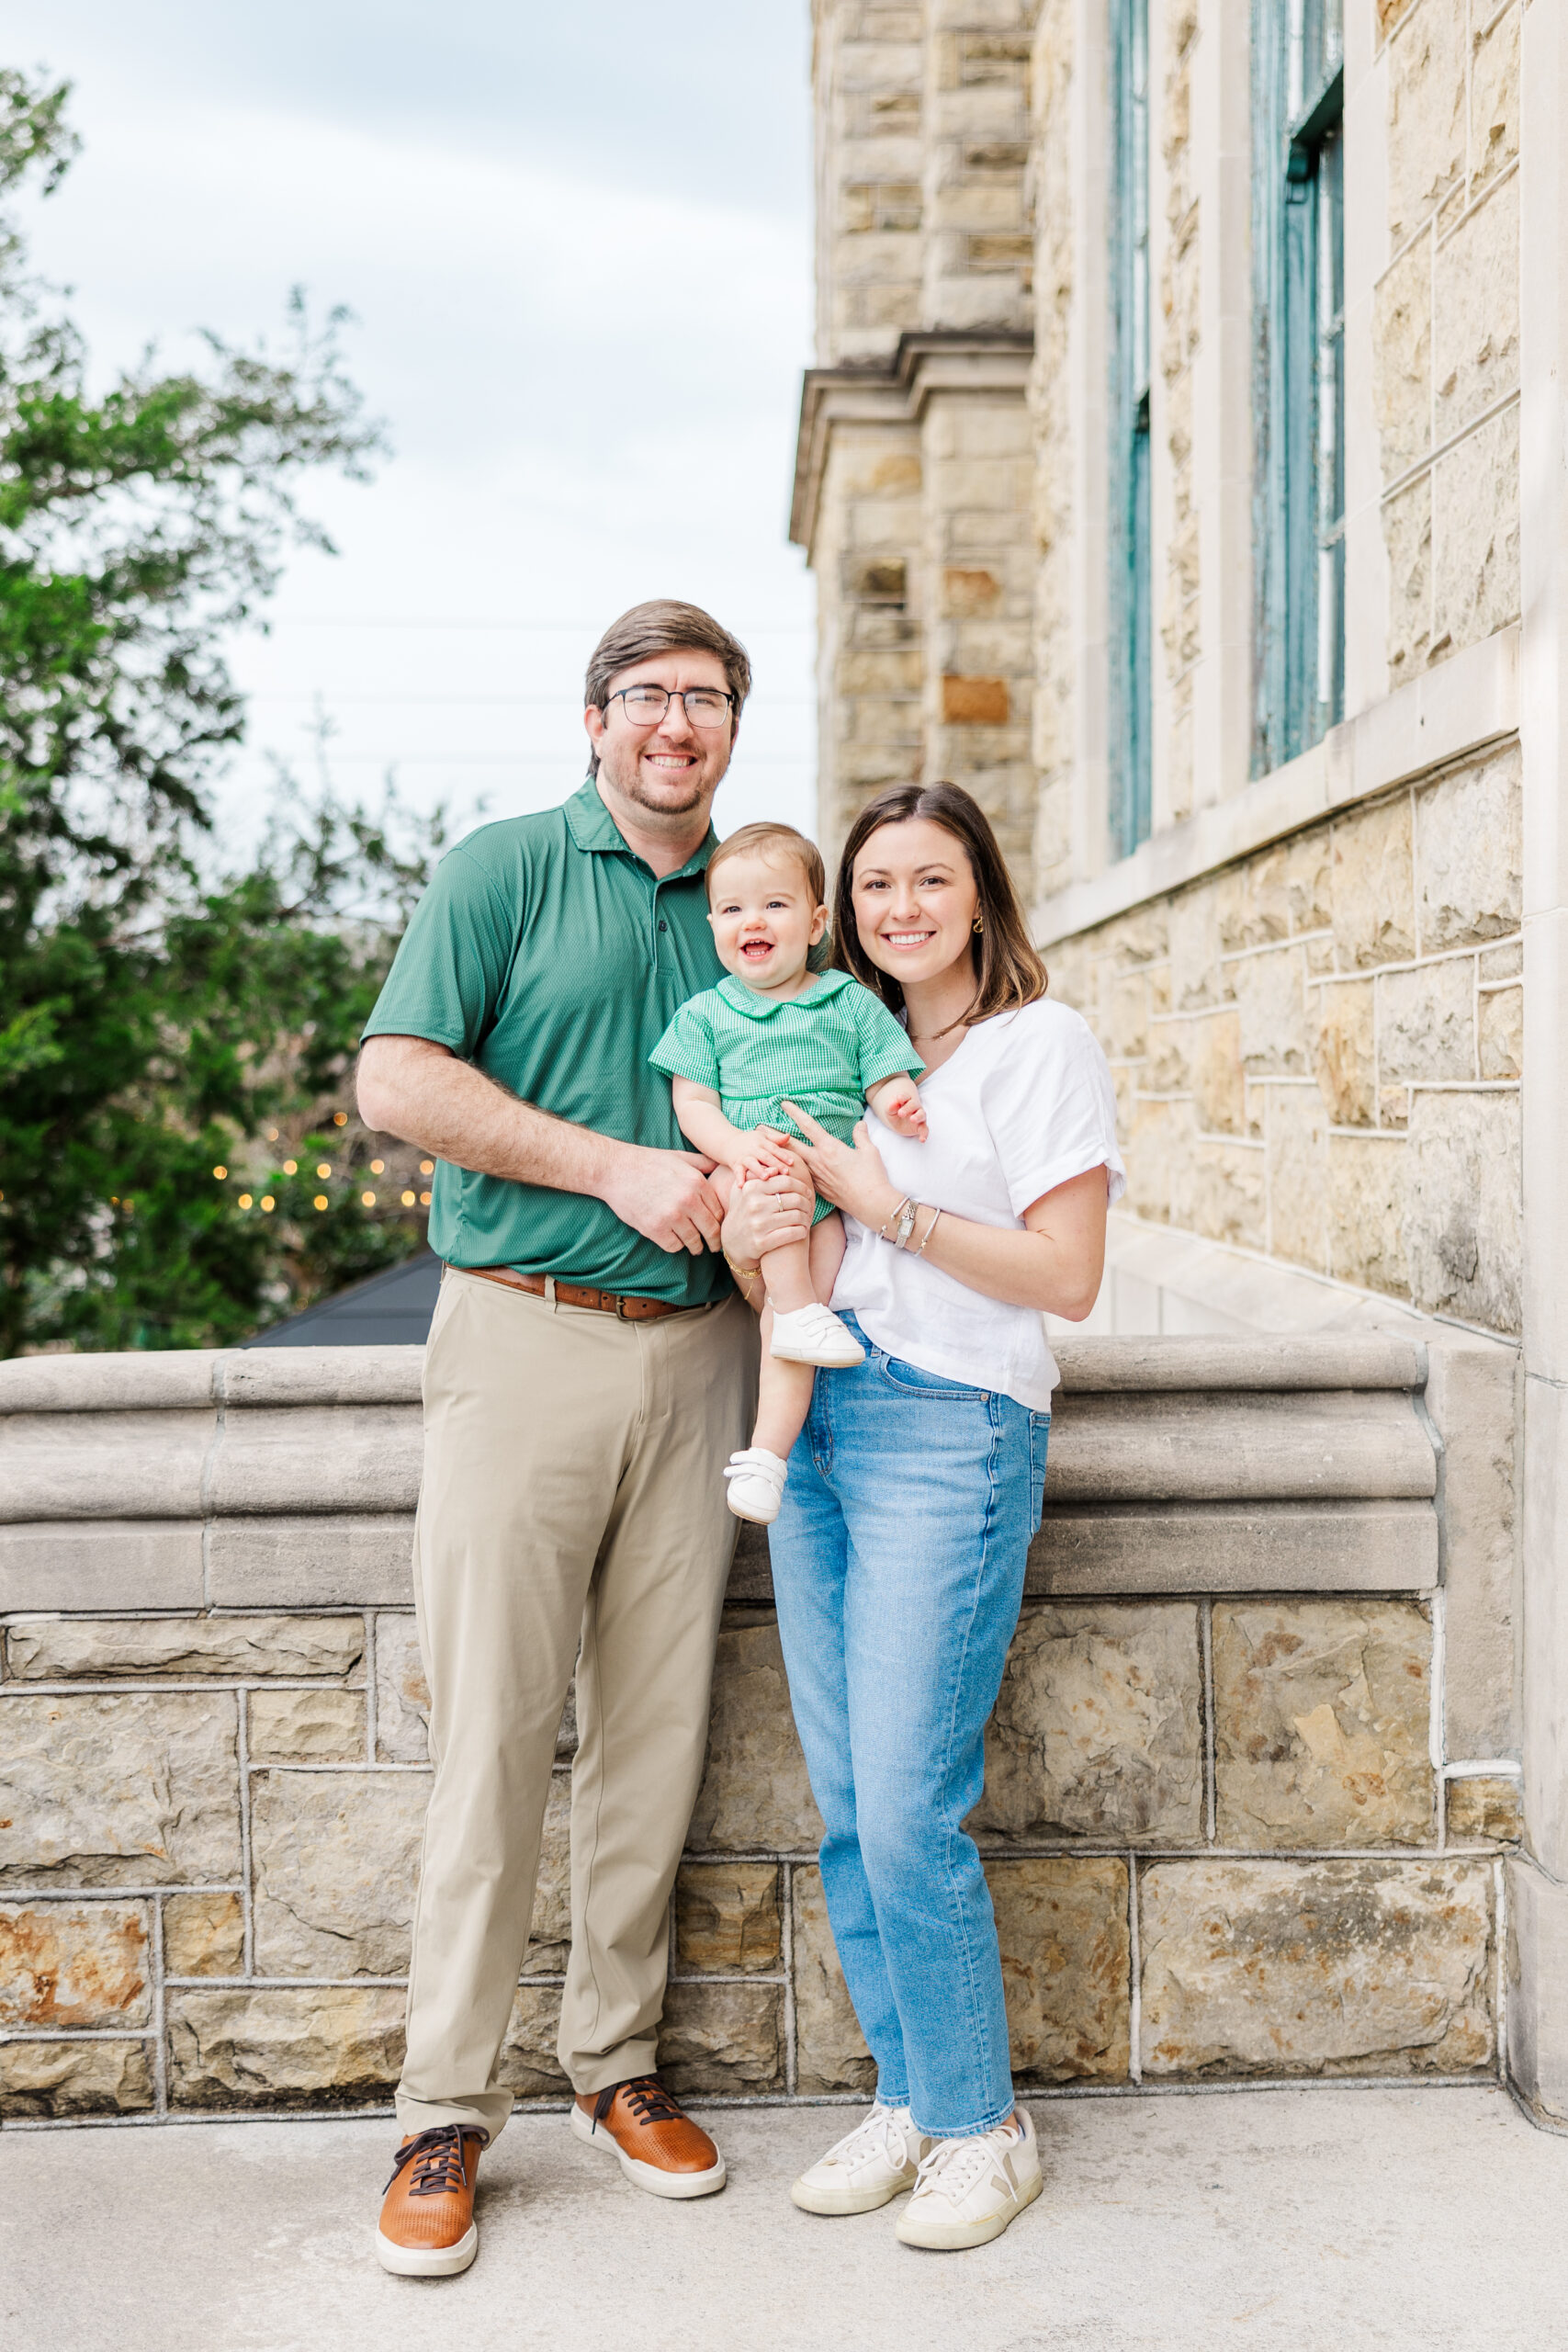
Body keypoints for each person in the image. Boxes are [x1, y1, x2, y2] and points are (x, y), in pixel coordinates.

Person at [355, 600, 814, 2278]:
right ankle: (440, 2110)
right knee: (490, 1738)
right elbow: (396, 1080)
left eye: (703, 698)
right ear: (596, 719)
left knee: (653, 1737)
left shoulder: (765, 898)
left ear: (731, 728)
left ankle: (614, 2068)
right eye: (645, 697)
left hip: (706, 1359)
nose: (672, 724)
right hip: (525, 1339)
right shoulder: (503, 870)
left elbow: (830, 1084)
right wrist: (611, 1167)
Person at [766, 780, 1124, 2254]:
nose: (898, 909)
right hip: (818, 1430)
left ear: (979, 891)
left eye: (927, 880)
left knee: (912, 1808)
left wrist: (885, 1201)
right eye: (871, 890)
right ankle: (908, 2095)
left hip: (952, 1429)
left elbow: (1066, 1277)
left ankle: (984, 2124)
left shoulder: (1038, 1045)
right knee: (850, 1808)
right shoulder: (840, 1045)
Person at [649, 820, 927, 1526]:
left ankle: (766, 1458)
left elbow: (883, 1073)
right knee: (791, 1278)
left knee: (787, 1324)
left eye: (774, 904)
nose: (753, 921)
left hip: (826, 1202)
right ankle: (799, 1314)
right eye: (733, 908)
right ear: (713, 923)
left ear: (815, 921)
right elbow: (693, 1106)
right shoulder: (707, 1014)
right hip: (747, 1176)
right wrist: (739, 1149)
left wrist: (896, 1100)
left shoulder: (846, 1002)